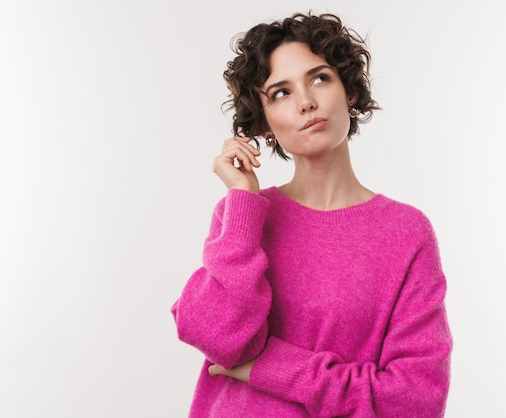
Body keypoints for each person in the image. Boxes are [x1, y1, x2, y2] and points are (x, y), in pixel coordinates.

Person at [171, 12, 452, 417]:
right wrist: (243, 199)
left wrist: (272, 367)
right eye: (280, 93)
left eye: (319, 78)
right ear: (264, 124)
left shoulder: (406, 232)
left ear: (349, 91)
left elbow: (416, 399)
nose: (306, 102)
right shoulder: (243, 215)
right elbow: (220, 340)